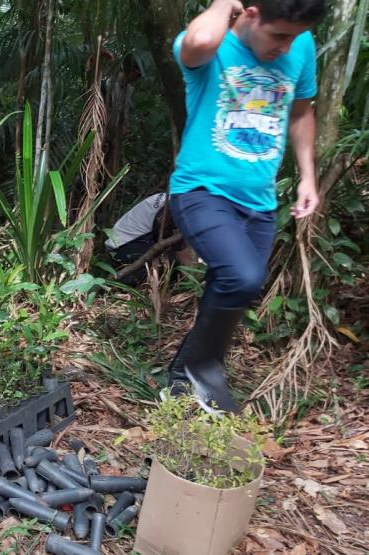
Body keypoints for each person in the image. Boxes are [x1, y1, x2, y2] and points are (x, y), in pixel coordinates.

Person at [166, 0, 324, 412]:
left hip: (260, 202)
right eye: (278, 36)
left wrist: (308, 176)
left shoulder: (300, 45)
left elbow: (302, 113)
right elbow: (198, 40)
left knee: (231, 285)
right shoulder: (212, 46)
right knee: (243, 276)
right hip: (201, 190)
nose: (286, 48)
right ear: (251, 14)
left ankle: (182, 381)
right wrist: (223, 3)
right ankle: (203, 370)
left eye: (295, 37)